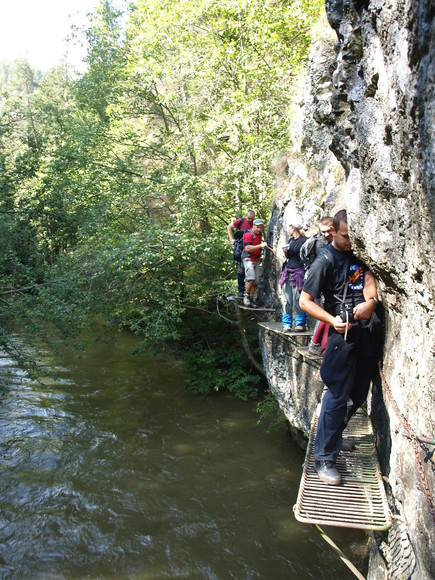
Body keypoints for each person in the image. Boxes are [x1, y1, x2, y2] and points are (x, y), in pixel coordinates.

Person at [299, 210, 380, 485]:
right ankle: (324, 458)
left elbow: (369, 278)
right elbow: (305, 301)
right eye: (345, 236)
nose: (349, 241)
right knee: (336, 395)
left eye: (352, 236)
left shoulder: (359, 253)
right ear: (333, 231)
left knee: (358, 393)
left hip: (366, 333)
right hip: (341, 335)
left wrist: (371, 302)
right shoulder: (325, 261)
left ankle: (333, 435)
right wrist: (332, 319)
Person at [306, 216, 334, 356]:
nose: (326, 234)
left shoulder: (325, 242)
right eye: (323, 232)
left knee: (326, 316)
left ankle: (319, 346)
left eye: (328, 231)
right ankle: (316, 345)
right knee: (325, 315)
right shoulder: (322, 244)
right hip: (323, 287)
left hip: (325, 286)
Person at [278, 223, 307, 332]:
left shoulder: (305, 241)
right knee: (287, 299)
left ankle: (300, 323)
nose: (288, 230)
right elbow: (289, 257)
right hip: (288, 271)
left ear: (293, 228)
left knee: (297, 299)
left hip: (299, 272)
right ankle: (287, 324)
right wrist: (286, 252)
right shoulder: (290, 241)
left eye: (289, 228)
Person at [227, 210, 255, 297]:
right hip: (240, 248)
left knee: (250, 271)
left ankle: (250, 293)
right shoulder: (241, 221)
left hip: (250, 248)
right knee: (240, 270)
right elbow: (229, 227)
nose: (250, 220)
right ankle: (241, 291)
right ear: (246, 217)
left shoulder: (255, 223)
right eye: (249, 218)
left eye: (252, 218)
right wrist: (231, 239)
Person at [242, 219, 267, 308]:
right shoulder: (248, 235)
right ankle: (246, 296)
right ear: (253, 226)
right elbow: (248, 248)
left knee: (256, 281)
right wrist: (260, 246)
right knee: (251, 277)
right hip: (248, 258)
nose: (259, 229)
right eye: (257, 227)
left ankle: (251, 299)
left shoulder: (259, 235)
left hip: (256, 260)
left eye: (261, 227)